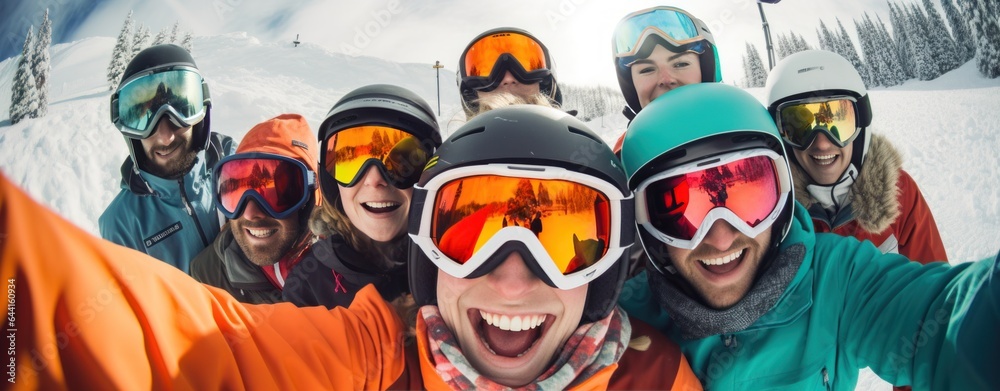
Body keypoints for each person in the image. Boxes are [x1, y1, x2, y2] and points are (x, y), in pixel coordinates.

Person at [1, 105, 702, 390]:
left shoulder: (654, 376)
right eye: (468, 230)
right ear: (426, 251)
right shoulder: (376, 352)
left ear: (610, 268)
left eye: (565, 235)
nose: (514, 276)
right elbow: (183, 346)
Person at [616, 83, 999, 390]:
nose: (720, 237)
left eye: (749, 193)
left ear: (783, 195)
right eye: (680, 210)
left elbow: (942, 320)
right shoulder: (621, 333)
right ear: (644, 227)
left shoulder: (836, 278)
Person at [764, 50, 947, 263]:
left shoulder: (899, 192)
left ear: (861, 125)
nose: (822, 143)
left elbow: (934, 285)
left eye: (838, 123)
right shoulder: (774, 212)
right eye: (800, 130)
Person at [281, 85, 441, 309]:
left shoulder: (452, 266)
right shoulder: (309, 286)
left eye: (401, 162)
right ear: (331, 183)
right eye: (351, 162)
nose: (374, 179)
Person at [99, 44, 235, 273]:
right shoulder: (122, 224)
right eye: (144, 119)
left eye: (181, 111)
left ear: (200, 114)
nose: (165, 137)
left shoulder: (234, 165)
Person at [190, 114, 319, 304]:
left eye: (275, 194)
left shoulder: (343, 268)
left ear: (308, 201)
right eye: (235, 191)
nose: (250, 213)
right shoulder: (209, 278)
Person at [609, 5, 722, 153]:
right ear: (631, 86)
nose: (666, 80)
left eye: (681, 64)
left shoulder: (743, 122)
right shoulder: (625, 154)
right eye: (647, 70)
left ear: (706, 71)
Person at [456, 27, 563, 119]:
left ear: (545, 84)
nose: (508, 78)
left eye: (528, 65)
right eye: (485, 70)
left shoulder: (575, 141)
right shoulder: (459, 143)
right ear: (471, 94)